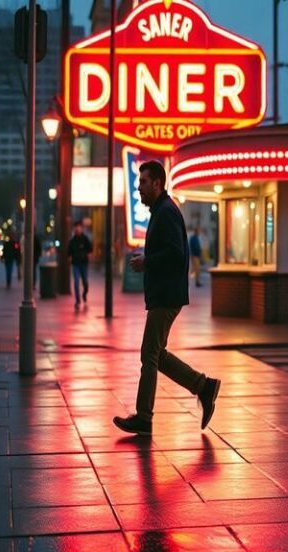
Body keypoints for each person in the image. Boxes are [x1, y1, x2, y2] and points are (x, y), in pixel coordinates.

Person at [113, 160, 221, 436]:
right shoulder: (161, 210)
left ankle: (144, 418)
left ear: (157, 184)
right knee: (156, 355)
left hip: (166, 295)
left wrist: (147, 261)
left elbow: (175, 253)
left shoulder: (167, 212)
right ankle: (203, 386)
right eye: (139, 182)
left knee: (148, 354)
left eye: (144, 182)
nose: (139, 187)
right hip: (164, 294)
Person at [67, 221, 92, 309]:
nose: (77, 229)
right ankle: (77, 300)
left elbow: (90, 249)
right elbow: (69, 252)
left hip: (84, 263)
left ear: (82, 229)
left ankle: (84, 294)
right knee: (76, 281)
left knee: (85, 282)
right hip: (75, 264)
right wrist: (70, 258)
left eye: (79, 227)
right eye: (76, 227)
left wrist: (88, 255)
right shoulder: (72, 241)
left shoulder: (85, 239)